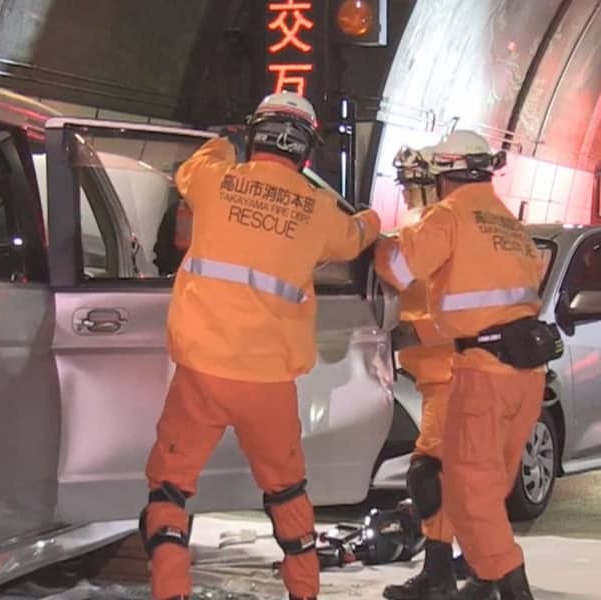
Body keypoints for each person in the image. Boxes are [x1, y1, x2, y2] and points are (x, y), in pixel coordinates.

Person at [140, 90, 381, 600]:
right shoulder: (316, 210)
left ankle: (170, 592)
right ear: (305, 150)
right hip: (268, 381)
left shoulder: (215, 180)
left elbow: (198, 162)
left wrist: (226, 143)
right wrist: (373, 219)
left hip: (200, 373)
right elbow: (355, 237)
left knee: (168, 488)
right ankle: (304, 592)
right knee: (287, 491)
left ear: (257, 134)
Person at [375, 130, 557, 600]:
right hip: (527, 373)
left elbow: (396, 270)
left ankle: (510, 587)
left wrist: (371, 244)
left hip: (482, 373)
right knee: (484, 487)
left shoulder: (448, 217)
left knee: (465, 492)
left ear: (444, 174)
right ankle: (478, 581)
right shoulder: (508, 223)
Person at [382, 145, 458, 600]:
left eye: (414, 184)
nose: (409, 193)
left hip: (449, 374)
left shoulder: (429, 230)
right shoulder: (453, 227)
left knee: (429, 473)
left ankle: (439, 575)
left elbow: (397, 272)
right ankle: (474, 566)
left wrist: (373, 242)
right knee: (460, 476)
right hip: (455, 373)